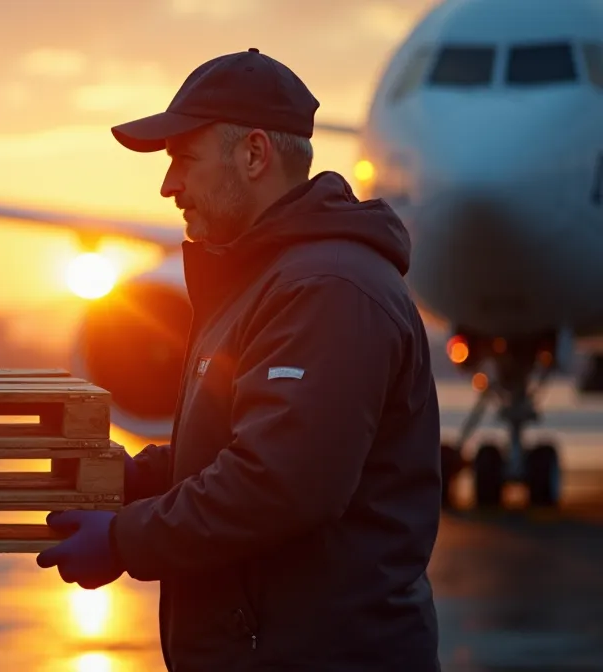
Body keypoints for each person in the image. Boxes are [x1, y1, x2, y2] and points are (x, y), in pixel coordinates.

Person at [36, 48, 442, 671]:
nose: (169, 186)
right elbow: (243, 442)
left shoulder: (327, 289)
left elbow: (281, 482)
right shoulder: (268, 280)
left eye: (183, 160)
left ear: (254, 156)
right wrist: (134, 481)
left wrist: (125, 540)